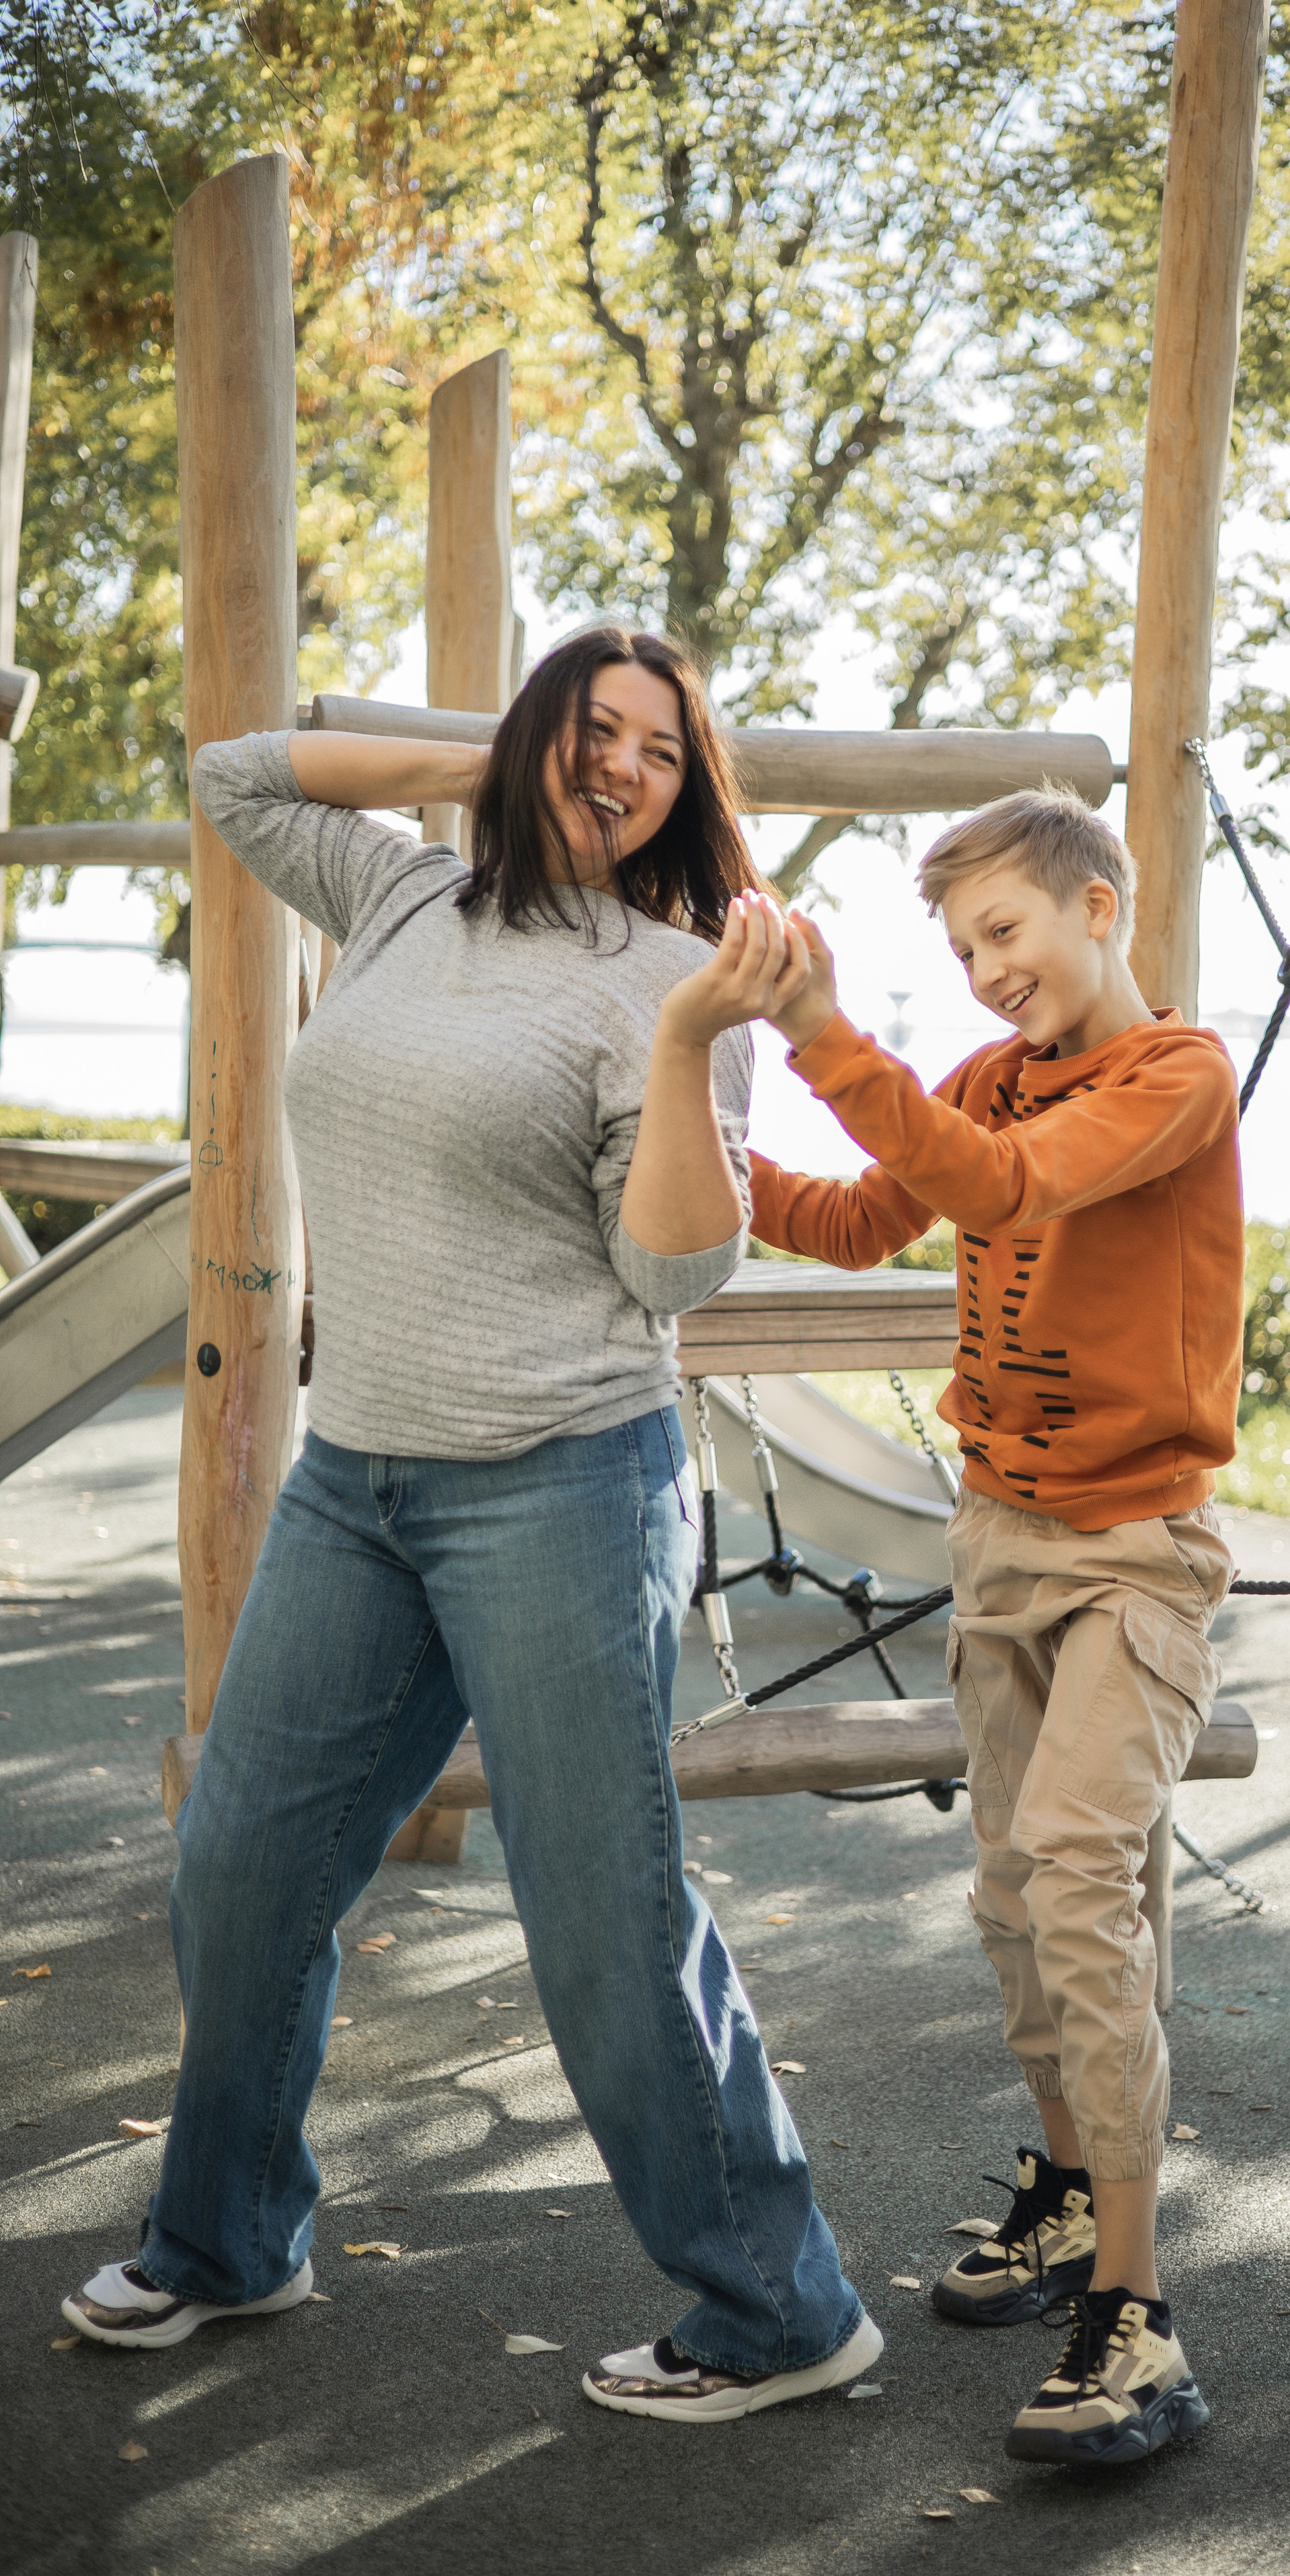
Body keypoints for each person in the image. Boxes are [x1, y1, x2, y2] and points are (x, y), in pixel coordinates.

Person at [60, 625, 881, 2423]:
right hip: (357, 1481)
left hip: (561, 1485)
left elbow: (672, 1272)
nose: (620, 766)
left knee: (603, 1920)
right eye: (591, 728)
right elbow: (233, 776)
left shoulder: (674, 977)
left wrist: (689, 1039)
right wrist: (488, 769)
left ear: (688, 793)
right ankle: (230, 2240)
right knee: (243, 1870)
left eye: (657, 752)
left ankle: (780, 2308)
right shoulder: (404, 894)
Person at [745, 787, 1243, 2469]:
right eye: (961, 951)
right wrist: (694, 1156)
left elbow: (1012, 1190)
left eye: (1004, 932)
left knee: (1083, 1880)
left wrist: (822, 1032)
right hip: (998, 1540)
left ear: (1099, 905)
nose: (983, 972)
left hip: (1133, 1558)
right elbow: (852, 1220)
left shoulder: (1176, 1075)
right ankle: (1065, 2188)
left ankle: (1136, 2313)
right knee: (1015, 1897)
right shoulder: (978, 1077)